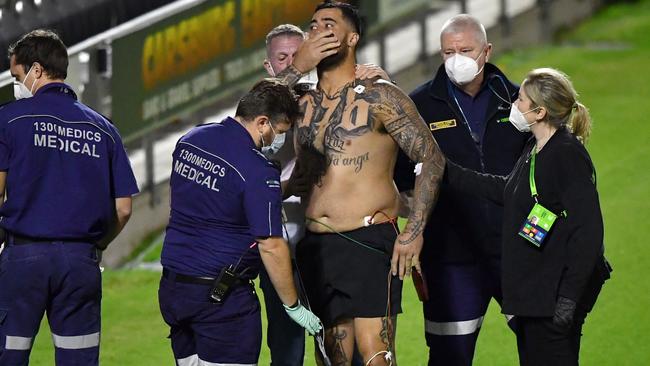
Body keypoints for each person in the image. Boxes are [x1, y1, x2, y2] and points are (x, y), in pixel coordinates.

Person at [275, 2, 445, 364]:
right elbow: (250, 115)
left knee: (376, 356)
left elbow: (431, 158)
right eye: (314, 25)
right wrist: (297, 67)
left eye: (329, 25)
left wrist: (414, 231)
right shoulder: (300, 101)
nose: (318, 31)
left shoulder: (381, 96)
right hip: (318, 244)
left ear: (352, 38)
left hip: (369, 240)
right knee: (332, 357)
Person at [445, 68, 611, 365]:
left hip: (552, 299)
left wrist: (568, 300)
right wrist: (448, 172)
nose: (514, 105)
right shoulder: (536, 148)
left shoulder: (565, 154)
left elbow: (588, 232)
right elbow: (508, 190)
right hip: (534, 297)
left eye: (520, 99)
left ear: (540, 111)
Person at [393, 14, 527, 365]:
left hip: (515, 250)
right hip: (451, 258)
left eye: (465, 49)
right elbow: (402, 180)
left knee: (542, 346)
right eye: (447, 51)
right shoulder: (417, 106)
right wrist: (423, 224)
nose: (456, 59)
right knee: (450, 355)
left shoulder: (516, 100)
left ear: (486, 51)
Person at [158, 79, 322, 366]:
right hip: (221, 303)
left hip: (174, 289)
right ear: (262, 122)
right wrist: (293, 306)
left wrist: (281, 189)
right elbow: (270, 245)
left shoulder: (192, 139)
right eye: (279, 131)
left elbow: (219, 193)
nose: (276, 140)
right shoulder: (257, 169)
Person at [0, 29, 138, 365]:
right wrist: (96, 247)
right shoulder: (104, 128)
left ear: (36, 70)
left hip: (23, 259)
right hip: (81, 263)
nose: (16, 85)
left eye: (17, 76)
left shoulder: (9, 119)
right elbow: (123, 208)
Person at [260, 23, 392, 366]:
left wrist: (383, 81)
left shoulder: (336, 98)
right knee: (287, 346)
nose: (295, 61)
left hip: (331, 244)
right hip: (277, 249)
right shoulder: (257, 114)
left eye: (300, 53)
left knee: (348, 346)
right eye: (284, 57)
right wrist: (288, 188)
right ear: (268, 65)